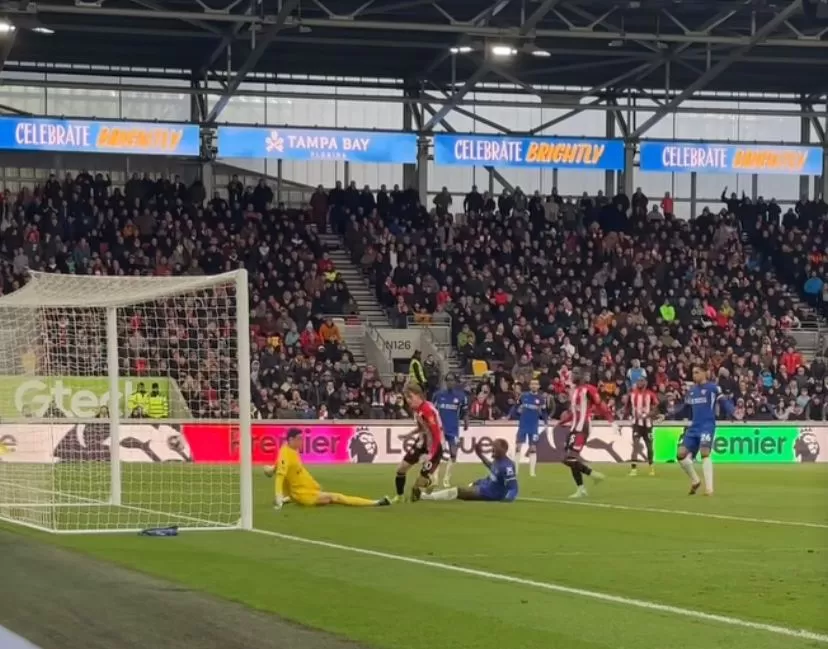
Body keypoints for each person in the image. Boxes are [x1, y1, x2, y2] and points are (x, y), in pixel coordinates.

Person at [266, 428, 390, 509]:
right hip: (305, 495)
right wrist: (278, 497)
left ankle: (290, 498)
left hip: (306, 489)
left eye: (302, 439)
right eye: (299, 439)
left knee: (328, 494)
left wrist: (271, 469)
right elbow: (280, 477)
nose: (301, 442)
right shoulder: (285, 454)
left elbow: (280, 466)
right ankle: (376, 502)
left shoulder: (289, 449)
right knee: (336, 497)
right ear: (291, 440)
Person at [557, 368, 615, 498]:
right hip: (574, 427)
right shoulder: (574, 391)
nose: (572, 376)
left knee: (570, 458)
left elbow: (601, 405)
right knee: (567, 458)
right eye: (572, 374)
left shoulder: (589, 389)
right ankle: (581, 489)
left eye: (576, 374)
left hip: (583, 426)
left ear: (582, 376)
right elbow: (575, 412)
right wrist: (563, 422)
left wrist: (611, 420)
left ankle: (594, 475)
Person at [675, 366, 733, 496]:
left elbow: (724, 402)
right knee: (680, 454)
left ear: (704, 373)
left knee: (705, 452)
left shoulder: (713, 388)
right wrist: (667, 414)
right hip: (694, 427)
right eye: (693, 373)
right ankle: (695, 481)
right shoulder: (692, 391)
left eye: (697, 372)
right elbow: (683, 408)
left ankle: (709, 489)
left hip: (707, 425)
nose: (694, 375)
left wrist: (733, 412)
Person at [412, 439, 518, 503]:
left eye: (495, 447)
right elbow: (492, 467)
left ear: (503, 449)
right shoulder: (498, 461)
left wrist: (507, 499)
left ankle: (424, 496)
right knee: (468, 486)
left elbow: (513, 487)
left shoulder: (507, 466)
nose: (492, 449)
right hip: (486, 486)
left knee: (460, 491)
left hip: (491, 493)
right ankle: (428, 494)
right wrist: (480, 454)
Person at [393, 384, 444, 503]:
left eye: (410, 397)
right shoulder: (417, 410)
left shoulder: (427, 410)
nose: (408, 400)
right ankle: (399, 497)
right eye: (407, 397)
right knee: (401, 469)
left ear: (419, 396)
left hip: (435, 446)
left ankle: (429, 481)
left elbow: (436, 434)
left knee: (417, 486)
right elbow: (422, 428)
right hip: (422, 442)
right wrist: (408, 435)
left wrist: (430, 454)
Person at [432, 374, 469, 487]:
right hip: (440, 429)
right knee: (437, 454)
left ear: (455, 382)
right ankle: (435, 478)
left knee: (453, 453)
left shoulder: (461, 396)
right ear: (445, 382)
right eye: (448, 380)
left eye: (452, 380)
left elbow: (465, 411)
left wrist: (466, 421)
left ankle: (447, 478)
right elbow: (433, 412)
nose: (450, 382)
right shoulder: (438, 395)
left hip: (453, 430)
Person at [510, 378, 546, 477]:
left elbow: (544, 412)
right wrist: (515, 412)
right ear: (530, 386)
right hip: (523, 426)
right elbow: (516, 408)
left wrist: (546, 421)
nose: (534, 386)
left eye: (536, 384)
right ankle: (516, 471)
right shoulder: (524, 396)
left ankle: (532, 472)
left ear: (538, 386)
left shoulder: (541, 398)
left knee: (533, 448)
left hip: (533, 426)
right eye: (532, 384)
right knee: (518, 447)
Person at [627, 377, 659, 476]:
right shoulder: (632, 394)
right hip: (636, 425)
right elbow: (628, 407)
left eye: (641, 381)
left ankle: (651, 467)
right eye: (638, 381)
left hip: (648, 425)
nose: (639, 383)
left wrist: (648, 415)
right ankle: (633, 469)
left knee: (649, 447)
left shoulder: (651, 394)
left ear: (646, 382)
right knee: (635, 445)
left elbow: (656, 408)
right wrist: (628, 415)